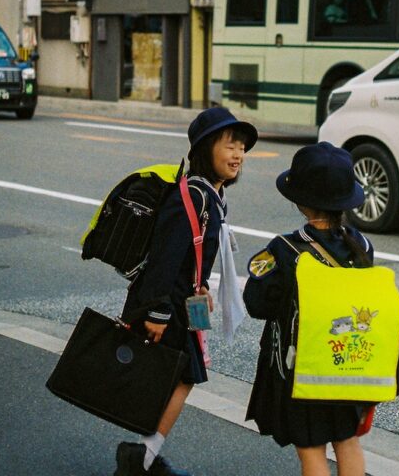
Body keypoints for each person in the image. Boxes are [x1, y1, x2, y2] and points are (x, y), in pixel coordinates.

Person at [114, 106, 258, 476]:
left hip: (182, 303)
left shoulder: (211, 196)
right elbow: (165, 256)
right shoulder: (192, 196)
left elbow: (193, 252)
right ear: (206, 148)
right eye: (230, 146)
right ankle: (141, 457)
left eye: (241, 148)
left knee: (177, 378)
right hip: (169, 308)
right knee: (183, 377)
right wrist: (158, 313)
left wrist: (203, 285)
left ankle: (142, 455)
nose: (238, 155)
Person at [243, 142, 372, 476]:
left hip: (303, 370)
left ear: (300, 201)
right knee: (347, 441)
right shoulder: (362, 244)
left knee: (312, 449)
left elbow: (256, 305)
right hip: (349, 363)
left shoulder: (285, 250)